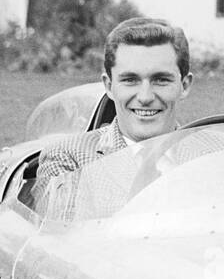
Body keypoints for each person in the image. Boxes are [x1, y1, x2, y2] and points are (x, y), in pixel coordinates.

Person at [29, 17, 194, 220]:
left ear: (184, 85)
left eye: (161, 80)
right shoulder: (67, 159)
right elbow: (65, 243)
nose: (145, 97)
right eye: (130, 80)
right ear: (109, 86)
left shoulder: (220, 152)